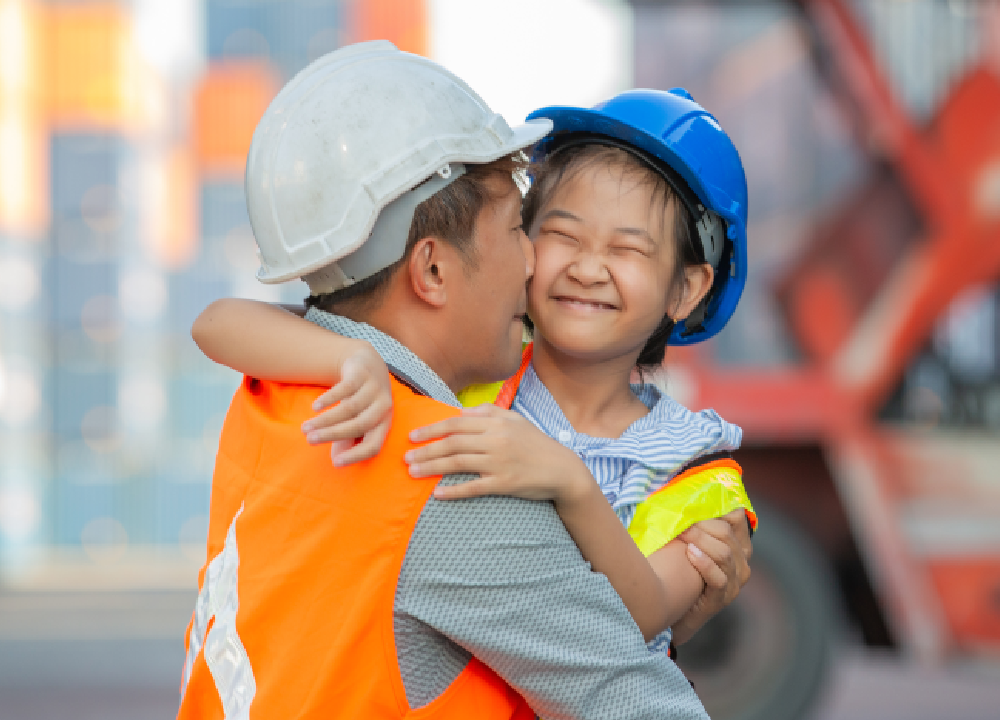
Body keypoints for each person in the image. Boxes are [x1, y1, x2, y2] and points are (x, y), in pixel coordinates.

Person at [178, 41, 749, 720]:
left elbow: (227, 325)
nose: (548, 262)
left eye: (626, 249)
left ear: (686, 286)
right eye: (524, 227)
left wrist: (348, 359)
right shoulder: (446, 458)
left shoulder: (275, 395)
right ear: (433, 270)